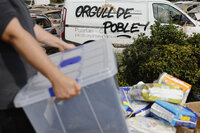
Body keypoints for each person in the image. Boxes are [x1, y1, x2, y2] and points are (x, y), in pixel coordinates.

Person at [0, 0, 81, 133]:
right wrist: (57, 78)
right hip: (8, 105)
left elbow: (28, 27)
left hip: (24, 95)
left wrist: (61, 44)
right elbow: (14, 34)